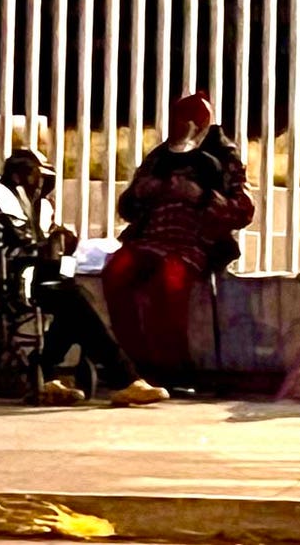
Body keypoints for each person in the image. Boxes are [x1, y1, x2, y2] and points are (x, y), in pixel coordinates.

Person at [0, 148, 170, 407]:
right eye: (34, 176)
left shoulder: (40, 205)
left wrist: (63, 246)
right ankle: (124, 379)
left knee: (74, 296)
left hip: (33, 273)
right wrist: (33, 247)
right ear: (17, 174)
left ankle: (45, 374)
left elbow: (48, 240)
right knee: (73, 301)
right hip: (2, 278)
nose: (39, 184)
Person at [103, 93, 255, 386]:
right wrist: (142, 192)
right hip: (150, 238)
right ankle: (134, 361)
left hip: (195, 243)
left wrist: (203, 197)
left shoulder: (222, 158)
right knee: (116, 271)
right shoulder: (160, 157)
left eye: (182, 121)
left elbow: (244, 210)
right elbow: (127, 207)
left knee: (169, 281)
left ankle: (173, 367)